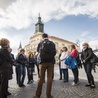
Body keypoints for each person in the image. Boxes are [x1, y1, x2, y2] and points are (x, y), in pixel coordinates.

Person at [34, 33, 56, 98]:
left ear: (42, 37)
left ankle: (37, 95)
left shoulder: (40, 43)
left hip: (43, 62)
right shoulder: (52, 43)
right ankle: (48, 95)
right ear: (47, 37)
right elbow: (55, 52)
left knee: (40, 78)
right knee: (49, 78)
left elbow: (38, 52)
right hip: (51, 62)